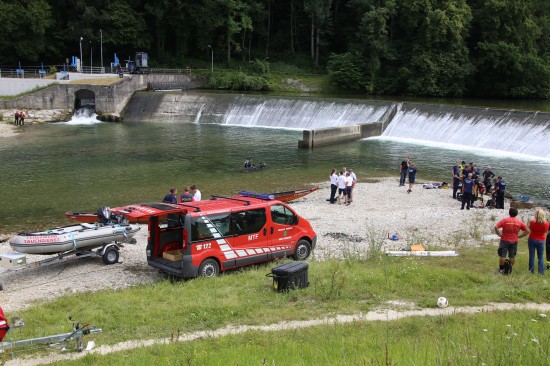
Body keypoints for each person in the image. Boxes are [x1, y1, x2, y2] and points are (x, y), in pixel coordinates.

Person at [494, 207, 530, 275]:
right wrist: (520, 236)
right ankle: (509, 268)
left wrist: (499, 234)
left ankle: (501, 269)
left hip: (504, 239)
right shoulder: (519, 222)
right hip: (514, 240)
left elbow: (496, 227)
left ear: (509, 213)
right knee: (512, 256)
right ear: (516, 214)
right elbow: (527, 230)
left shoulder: (505, 220)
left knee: (502, 255)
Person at [527, 209, 549, 275]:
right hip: (541, 240)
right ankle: (541, 272)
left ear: (536, 215)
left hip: (532, 239)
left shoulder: (531, 222)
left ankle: (531, 271)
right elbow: (546, 231)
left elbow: (529, 229)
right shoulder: (547, 224)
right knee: (541, 257)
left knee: (531, 256)